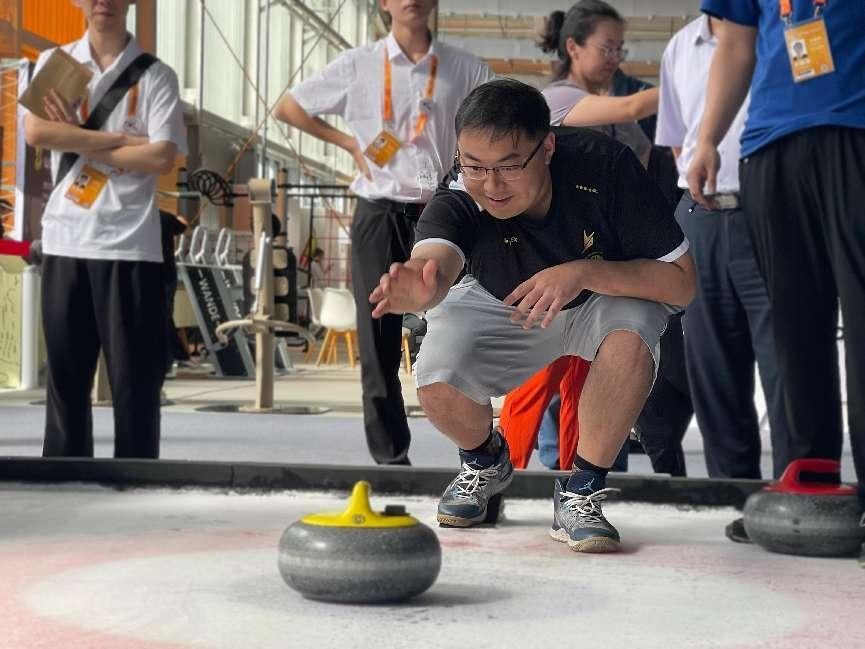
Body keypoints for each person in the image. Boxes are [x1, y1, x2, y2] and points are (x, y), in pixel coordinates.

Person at [370, 79, 696, 552]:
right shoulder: (464, 188)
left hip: (597, 298)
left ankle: (582, 491)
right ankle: (484, 462)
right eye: (475, 166)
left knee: (634, 332)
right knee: (436, 371)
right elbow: (437, 259)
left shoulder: (604, 166)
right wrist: (420, 286)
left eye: (508, 167)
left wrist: (583, 273)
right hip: (505, 302)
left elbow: (681, 283)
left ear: (547, 146)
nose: (491, 186)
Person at [274, 0, 493, 465]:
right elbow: (288, 107)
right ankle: (391, 458)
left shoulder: (465, 67)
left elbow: (499, 120)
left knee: (462, 328)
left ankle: (478, 458)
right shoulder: (359, 65)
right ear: (383, 4)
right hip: (378, 210)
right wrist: (349, 143)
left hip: (443, 209)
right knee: (377, 338)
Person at [687, 0, 865, 546]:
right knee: (793, 325)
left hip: (857, 129)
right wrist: (709, 137)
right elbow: (737, 43)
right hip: (770, 145)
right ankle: (808, 483)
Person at [500, 0, 692, 478]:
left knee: (587, 375)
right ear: (573, 47)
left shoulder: (616, 114)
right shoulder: (557, 101)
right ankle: (504, 472)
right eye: (607, 47)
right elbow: (630, 104)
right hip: (560, 251)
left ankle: (577, 477)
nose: (616, 57)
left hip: (609, 256)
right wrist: (694, 79)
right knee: (539, 376)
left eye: (620, 48)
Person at [22, 0, 186, 458]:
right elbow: (37, 132)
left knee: (135, 381)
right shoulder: (60, 64)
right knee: (66, 378)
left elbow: (159, 157)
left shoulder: (156, 75)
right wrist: (119, 141)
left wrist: (73, 134)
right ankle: (66, 477)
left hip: (131, 245)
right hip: (66, 237)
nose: (103, 3)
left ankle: (137, 479)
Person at [658, 14, 791, 494]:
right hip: (702, 217)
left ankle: (798, 489)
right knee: (713, 367)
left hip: (770, 213)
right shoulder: (679, 47)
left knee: (786, 363)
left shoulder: (780, 35)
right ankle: (731, 493)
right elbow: (679, 143)